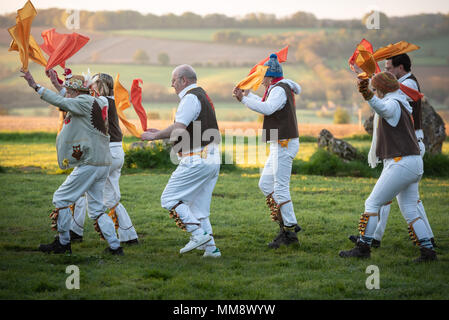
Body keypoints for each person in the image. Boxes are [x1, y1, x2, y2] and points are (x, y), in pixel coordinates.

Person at [21, 69, 124, 255]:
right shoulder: (97, 101)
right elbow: (68, 100)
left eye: (69, 90)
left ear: (76, 92)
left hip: (90, 162)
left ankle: (63, 243)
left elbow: (62, 101)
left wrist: (35, 86)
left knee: (61, 198)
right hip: (103, 162)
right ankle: (115, 247)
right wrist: (57, 84)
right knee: (97, 208)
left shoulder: (83, 102)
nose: (66, 93)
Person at [339, 72, 436, 262]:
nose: (375, 92)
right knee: (410, 209)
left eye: (376, 89)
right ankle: (428, 251)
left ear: (382, 89)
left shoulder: (391, 103)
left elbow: (382, 108)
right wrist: (369, 93)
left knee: (372, 203)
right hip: (413, 162)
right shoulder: (401, 101)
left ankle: (363, 248)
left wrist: (367, 94)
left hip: (401, 162)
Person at [141, 64, 221, 257]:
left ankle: (196, 234)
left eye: (174, 80)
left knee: (169, 198)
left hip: (196, 158)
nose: (172, 85)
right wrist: (159, 131)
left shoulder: (190, 98)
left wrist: (154, 136)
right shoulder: (201, 95)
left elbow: (178, 128)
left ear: (183, 80)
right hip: (211, 156)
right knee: (199, 208)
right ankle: (211, 250)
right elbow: (184, 125)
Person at [233, 53, 302, 249]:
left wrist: (244, 100)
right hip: (280, 143)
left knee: (280, 187)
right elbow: (267, 104)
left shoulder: (279, 89)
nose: (260, 81)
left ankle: (289, 229)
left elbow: (268, 108)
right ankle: (285, 226)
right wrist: (246, 95)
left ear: (269, 76)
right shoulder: (277, 87)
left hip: (284, 143)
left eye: (261, 77)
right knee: (265, 184)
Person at [68, 73, 138, 246]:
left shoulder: (101, 102)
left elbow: (72, 103)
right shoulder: (110, 100)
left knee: (80, 188)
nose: (89, 87)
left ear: (98, 85)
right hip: (118, 153)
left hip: (106, 153)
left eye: (91, 84)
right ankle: (129, 236)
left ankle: (74, 231)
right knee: (111, 198)